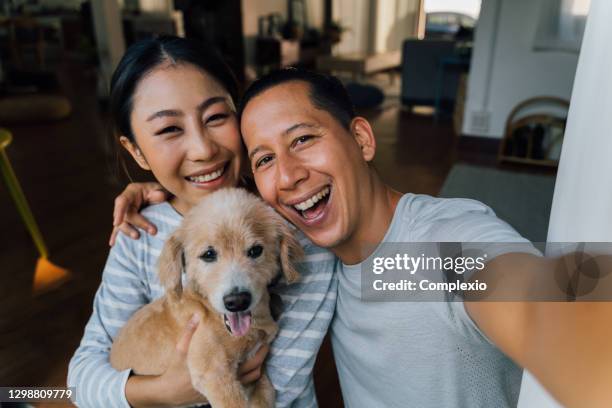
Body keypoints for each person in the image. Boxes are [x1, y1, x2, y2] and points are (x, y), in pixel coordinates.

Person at [114, 68, 612, 407]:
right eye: (264, 159)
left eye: (303, 139)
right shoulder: (308, 247)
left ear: (363, 139)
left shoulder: (419, 257)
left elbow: (509, 283)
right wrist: (161, 190)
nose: (288, 175)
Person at [68, 38, 337, 408]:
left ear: (239, 115)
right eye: (168, 130)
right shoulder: (137, 234)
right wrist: (162, 392)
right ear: (136, 151)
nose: (203, 149)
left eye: (215, 117)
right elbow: (81, 380)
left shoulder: (293, 228)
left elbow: (281, 387)